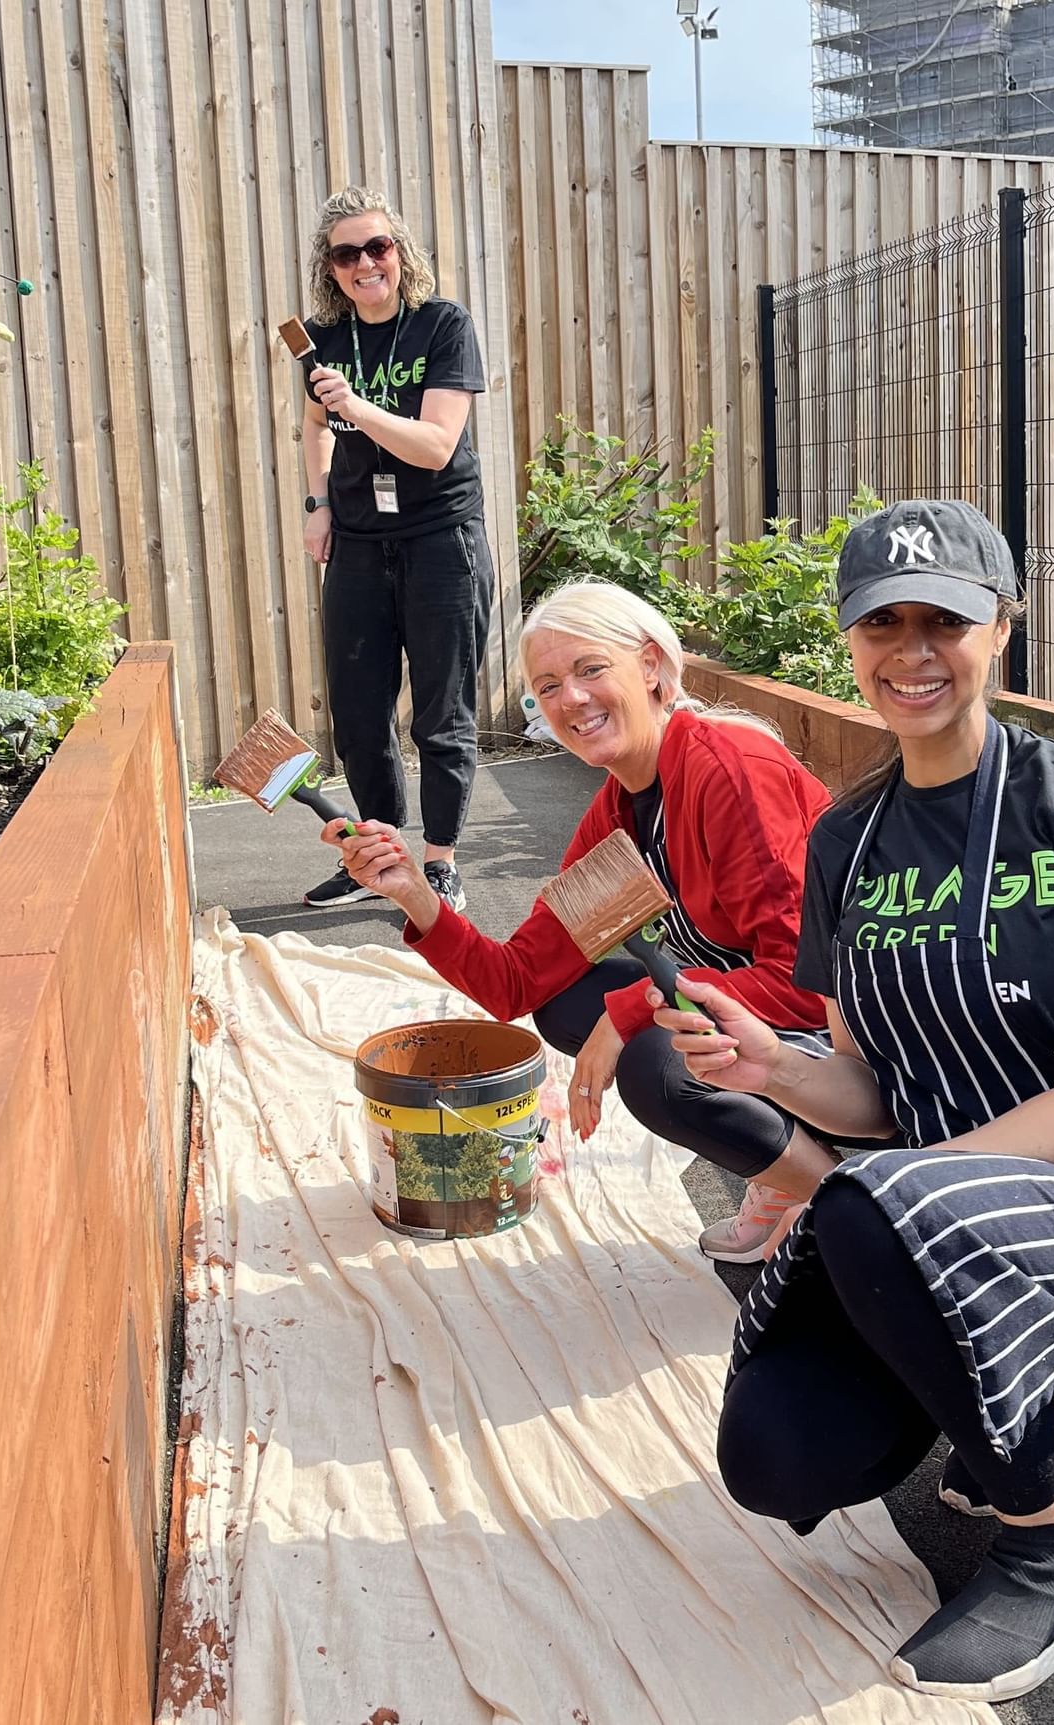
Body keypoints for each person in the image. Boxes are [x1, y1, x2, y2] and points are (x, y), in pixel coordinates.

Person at [654, 499, 1054, 1703]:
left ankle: (1049, 1540)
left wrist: (915, 1191)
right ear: (850, 641)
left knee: (876, 1205)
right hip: (928, 1218)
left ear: (1001, 632)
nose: (911, 652)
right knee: (775, 1459)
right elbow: (868, 1089)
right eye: (883, 624)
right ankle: (984, 1421)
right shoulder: (848, 843)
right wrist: (772, 1070)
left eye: (945, 622)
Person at [324, 579, 839, 1262]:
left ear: (651, 666)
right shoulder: (620, 812)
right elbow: (516, 981)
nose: (571, 698)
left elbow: (811, 981)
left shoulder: (727, 769)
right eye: (548, 685)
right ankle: (786, 1172)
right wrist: (416, 894)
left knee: (661, 1064)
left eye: (591, 668)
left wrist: (629, 1012)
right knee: (567, 1003)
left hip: (859, 1036)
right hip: (769, 1019)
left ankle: (850, 1199)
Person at [298, 185, 493, 914]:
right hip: (356, 542)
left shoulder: (442, 325)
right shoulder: (323, 338)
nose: (364, 264)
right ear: (332, 267)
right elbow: (315, 425)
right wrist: (318, 503)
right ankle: (374, 852)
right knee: (357, 713)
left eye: (376, 247)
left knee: (442, 709)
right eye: (346, 254)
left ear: (400, 253)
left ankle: (439, 861)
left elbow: (436, 446)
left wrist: (355, 405)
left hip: (440, 538)